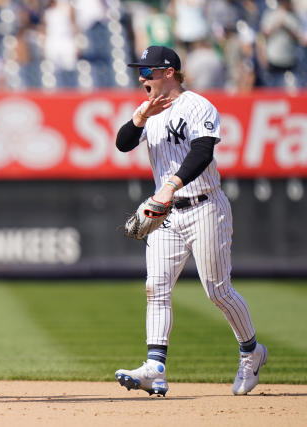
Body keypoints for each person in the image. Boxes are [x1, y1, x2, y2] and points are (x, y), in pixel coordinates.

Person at [114, 45, 267, 396]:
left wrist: (169, 185)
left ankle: (251, 352)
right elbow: (123, 143)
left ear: (169, 72)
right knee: (156, 287)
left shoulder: (198, 106)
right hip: (166, 214)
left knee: (218, 291)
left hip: (204, 205)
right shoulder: (149, 110)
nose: (142, 77)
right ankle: (155, 367)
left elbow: (203, 151)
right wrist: (140, 116)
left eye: (149, 71)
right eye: (142, 70)